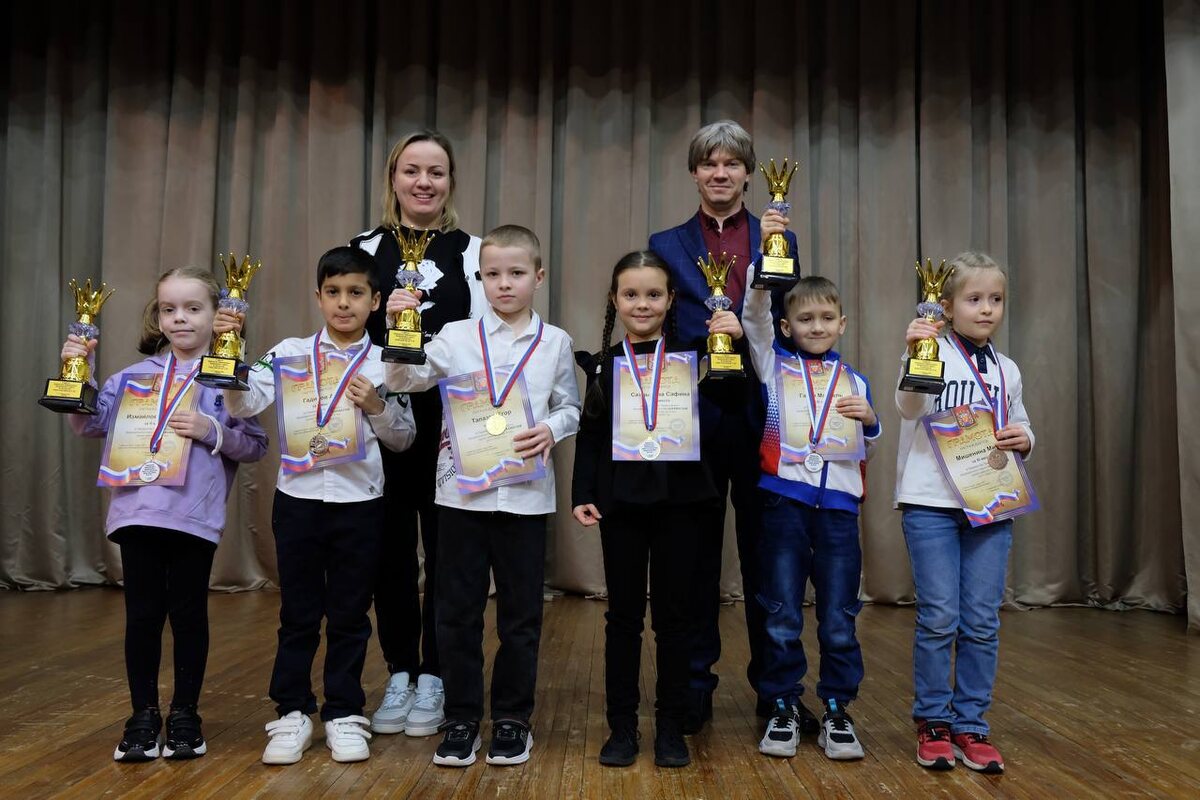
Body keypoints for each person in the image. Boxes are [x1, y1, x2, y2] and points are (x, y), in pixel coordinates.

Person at [385, 225, 580, 768]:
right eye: (492, 274)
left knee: (521, 616)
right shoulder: (453, 335)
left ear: (538, 277)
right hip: (461, 498)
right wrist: (400, 326)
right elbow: (404, 377)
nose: (504, 284)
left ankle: (514, 717)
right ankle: (463, 717)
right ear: (479, 278)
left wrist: (554, 429)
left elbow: (570, 405)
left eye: (516, 273)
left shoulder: (555, 342)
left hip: (525, 497)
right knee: (456, 613)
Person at [63, 266, 268, 762]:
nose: (180, 319)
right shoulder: (128, 378)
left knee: (189, 614)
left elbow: (255, 446)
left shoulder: (231, 378)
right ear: (157, 315)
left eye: (193, 308)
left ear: (219, 315)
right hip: (137, 512)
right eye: (169, 309)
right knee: (142, 617)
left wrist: (209, 430)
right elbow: (87, 428)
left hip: (194, 517)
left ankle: (185, 714)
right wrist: (80, 377)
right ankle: (142, 714)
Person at [220, 247, 416, 765]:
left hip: (361, 504)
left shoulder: (389, 361)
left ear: (376, 301)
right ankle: (291, 711)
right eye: (333, 293)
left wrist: (376, 405)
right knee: (299, 613)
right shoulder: (286, 352)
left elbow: (403, 439)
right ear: (318, 297)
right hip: (299, 501)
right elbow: (241, 404)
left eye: (356, 294)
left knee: (351, 613)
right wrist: (229, 350)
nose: (344, 304)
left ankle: (344, 712)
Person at [648, 120, 811, 732]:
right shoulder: (665, 244)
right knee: (692, 560)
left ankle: (777, 691)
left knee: (770, 558)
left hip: (762, 414)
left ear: (748, 174)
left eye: (732, 164)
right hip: (692, 415)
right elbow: (656, 325)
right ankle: (692, 686)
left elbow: (793, 325)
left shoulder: (779, 239)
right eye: (709, 164)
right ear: (694, 173)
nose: (721, 174)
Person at [571, 251, 741, 768]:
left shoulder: (697, 355)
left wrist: (730, 347)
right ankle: (622, 727)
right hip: (621, 504)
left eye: (653, 294)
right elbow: (591, 434)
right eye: (630, 294)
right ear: (615, 301)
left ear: (670, 301)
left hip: (682, 503)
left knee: (675, 619)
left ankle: (670, 726)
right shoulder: (605, 363)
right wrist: (583, 492)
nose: (641, 303)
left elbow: (728, 410)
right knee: (622, 618)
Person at [351, 129, 485, 738]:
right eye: (412, 171)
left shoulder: (474, 252)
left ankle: (438, 672)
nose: (423, 182)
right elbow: (348, 331)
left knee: (450, 551)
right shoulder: (361, 248)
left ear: (450, 180)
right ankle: (401, 669)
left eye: (436, 171)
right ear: (393, 177)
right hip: (380, 413)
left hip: (451, 420)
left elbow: (485, 348)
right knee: (390, 554)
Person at [742, 210, 881, 760]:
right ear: (787, 326)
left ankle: (837, 709)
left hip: (841, 510)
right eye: (806, 319)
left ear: (843, 324)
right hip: (784, 503)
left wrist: (870, 421)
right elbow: (753, 314)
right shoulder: (772, 364)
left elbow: (865, 446)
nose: (817, 327)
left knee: (841, 615)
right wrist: (767, 249)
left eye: (827, 318)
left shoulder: (855, 380)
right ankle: (781, 704)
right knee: (780, 611)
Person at [895, 251, 1034, 774]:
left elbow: (1019, 421)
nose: (987, 309)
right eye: (974, 299)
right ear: (947, 306)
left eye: (995, 299)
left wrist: (1026, 438)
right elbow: (908, 409)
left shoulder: (1006, 368)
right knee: (939, 618)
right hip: (931, 503)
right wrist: (913, 358)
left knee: (981, 621)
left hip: (990, 503)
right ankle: (932, 720)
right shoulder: (931, 349)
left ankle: (972, 725)